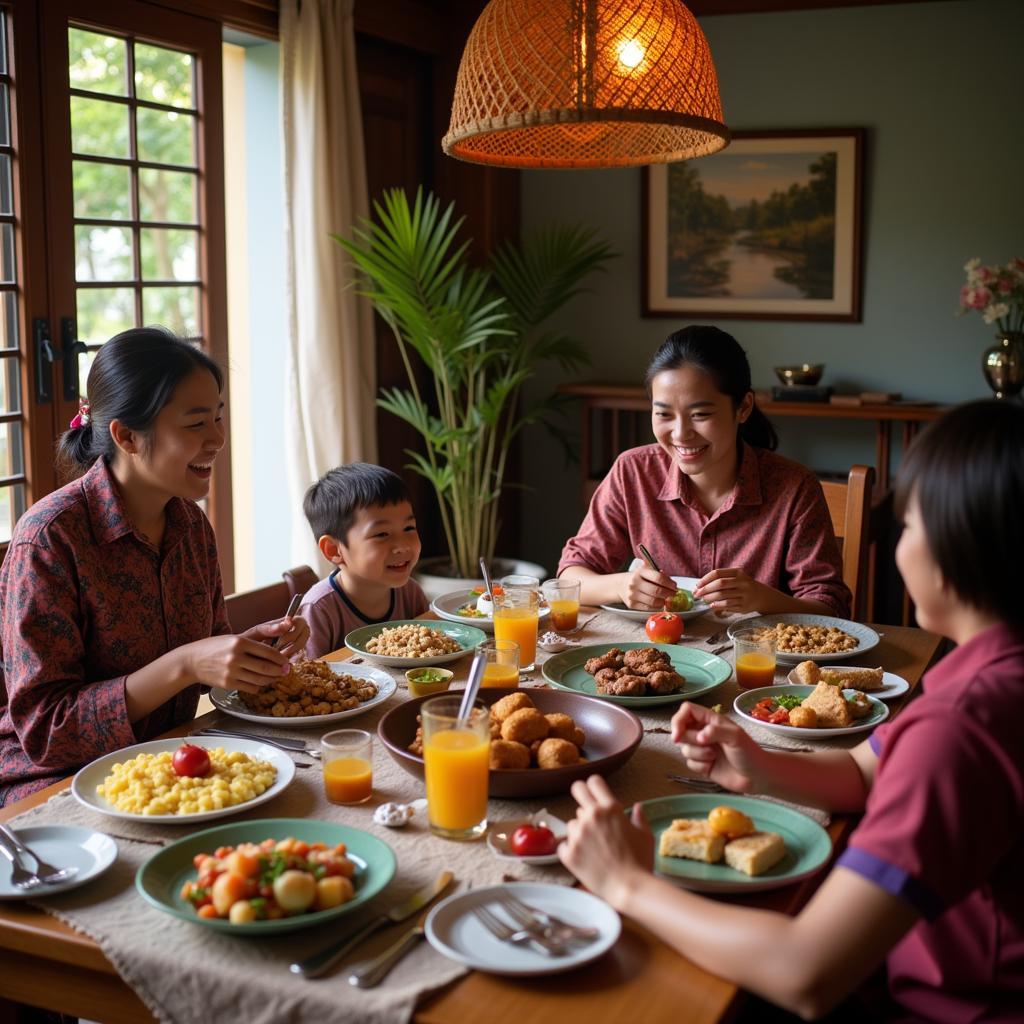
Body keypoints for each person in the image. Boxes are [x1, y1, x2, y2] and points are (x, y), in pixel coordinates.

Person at [558, 399, 1024, 1021]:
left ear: (963, 543)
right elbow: (866, 774)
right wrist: (757, 764)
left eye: (909, 526)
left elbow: (804, 972)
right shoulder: (981, 673)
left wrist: (625, 883)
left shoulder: (962, 724)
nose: (899, 551)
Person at [0, 327, 308, 807]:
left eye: (219, 418)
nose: (218, 439)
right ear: (126, 435)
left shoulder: (190, 524)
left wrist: (246, 651)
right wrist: (185, 663)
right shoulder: (49, 539)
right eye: (195, 423)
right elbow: (46, 732)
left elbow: (202, 661)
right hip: (54, 782)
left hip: (166, 761)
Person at [558, 326, 850, 616]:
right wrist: (621, 586)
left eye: (700, 415)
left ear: (744, 408)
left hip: (754, 658)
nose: (681, 434)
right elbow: (570, 577)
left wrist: (762, 599)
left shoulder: (794, 487)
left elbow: (830, 607)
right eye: (663, 414)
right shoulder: (633, 472)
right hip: (659, 654)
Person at [298, 463, 427, 659]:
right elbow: (306, 677)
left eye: (409, 528)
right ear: (334, 549)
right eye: (382, 534)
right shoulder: (319, 610)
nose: (403, 546)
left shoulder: (410, 593)